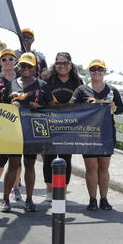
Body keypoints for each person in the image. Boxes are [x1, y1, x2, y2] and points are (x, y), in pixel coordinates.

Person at [0, 52, 46, 213]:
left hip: (32, 132)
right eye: (23, 65)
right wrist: (12, 107)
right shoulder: (11, 84)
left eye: (29, 66)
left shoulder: (42, 86)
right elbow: (1, 107)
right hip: (13, 131)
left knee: (30, 165)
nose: (25, 68)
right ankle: (5, 199)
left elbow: (52, 109)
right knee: (13, 165)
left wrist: (38, 108)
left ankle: (29, 199)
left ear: (34, 68)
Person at [72, 59, 123, 211]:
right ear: (89, 72)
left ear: (105, 71)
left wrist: (113, 107)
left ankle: (104, 199)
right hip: (88, 132)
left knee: (104, 167)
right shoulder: (81, 90)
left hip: (106, 132)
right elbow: (72, 107)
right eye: (93, 69)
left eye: (100, 69)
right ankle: (92, 199)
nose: (96, 72)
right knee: (91, 167)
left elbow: (121, 109)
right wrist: (88, 105)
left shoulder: (112, 90)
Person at [41, 52, 84, 201]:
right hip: (50, 125)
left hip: (69, 127)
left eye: (65, 63)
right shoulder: (48, 80)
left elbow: (83, 104)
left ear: (71, 65)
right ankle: (50, 191)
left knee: (66, 159)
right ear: (55, 65)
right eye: (59, 63)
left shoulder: (78, 82)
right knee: (49, 159)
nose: (62, 66)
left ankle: (62, 192)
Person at [0, 49, 23, 202]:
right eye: (4, 59)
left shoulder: (23, 79)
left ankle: (16, 187)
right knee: (1, 158)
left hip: (19, 123)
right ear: (0, 62)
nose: (7, 62)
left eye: (10, 59)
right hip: (0, 123)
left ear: (15, 61)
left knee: (17, 160)